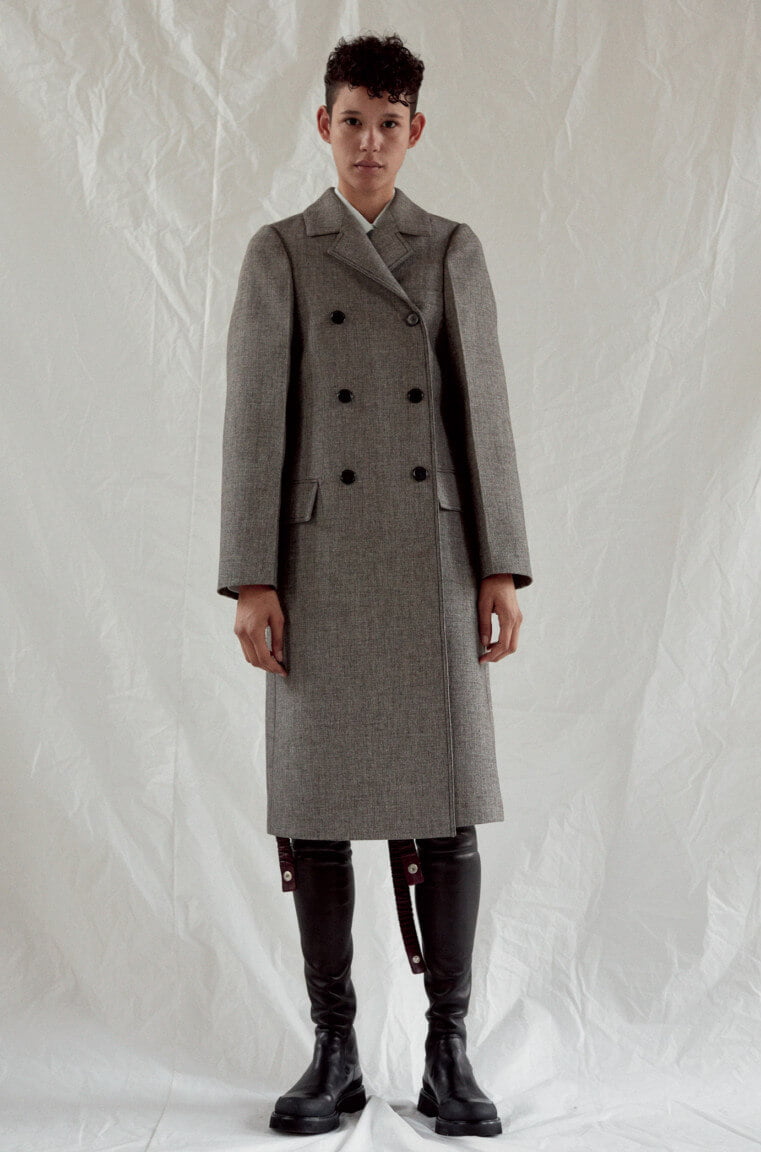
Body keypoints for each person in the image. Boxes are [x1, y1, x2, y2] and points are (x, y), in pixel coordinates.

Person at [217, 32, 532, 1139]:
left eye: (387, 123)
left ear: (414, 131)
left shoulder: (448, 250)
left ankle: (449, 1053)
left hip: (430, 564)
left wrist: (497, 564)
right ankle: (335, 1049)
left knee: (445, 810)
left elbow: (482, 416)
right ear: (323, 124)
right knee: (314, 816)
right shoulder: (280, 253)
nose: (367, 141)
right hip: (318, 569)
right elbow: (255, 425)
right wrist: (252, 578)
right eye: (350, 120)